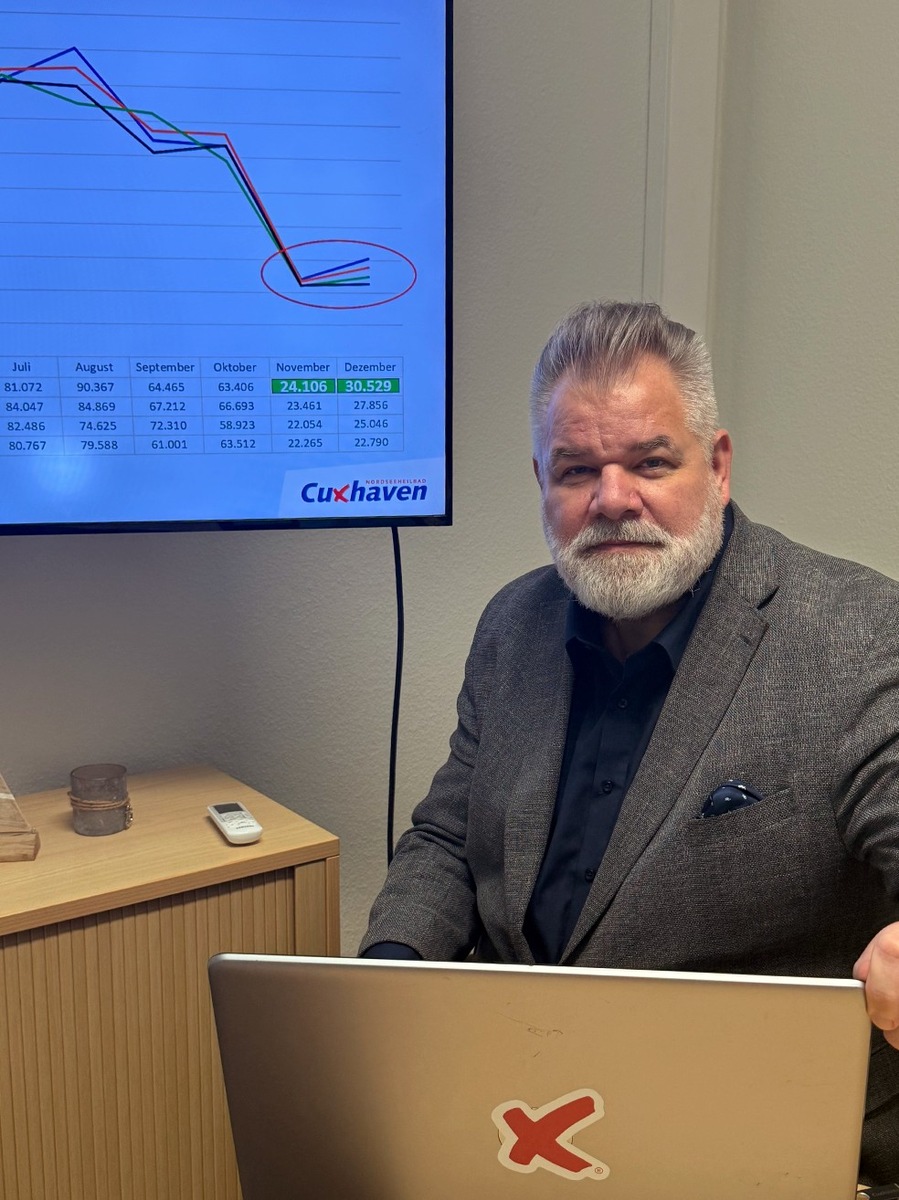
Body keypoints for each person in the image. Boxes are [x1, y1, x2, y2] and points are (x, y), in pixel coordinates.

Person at [359, 300, 899, 1180]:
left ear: (715, 466)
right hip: (516, 1113)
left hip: (753, 1142)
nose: (611, 500)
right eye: (576, 470)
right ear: (541, 479)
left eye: (650, 462)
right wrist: (387, 978)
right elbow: (449, 838)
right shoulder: (512, 625)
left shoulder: (856, 632)